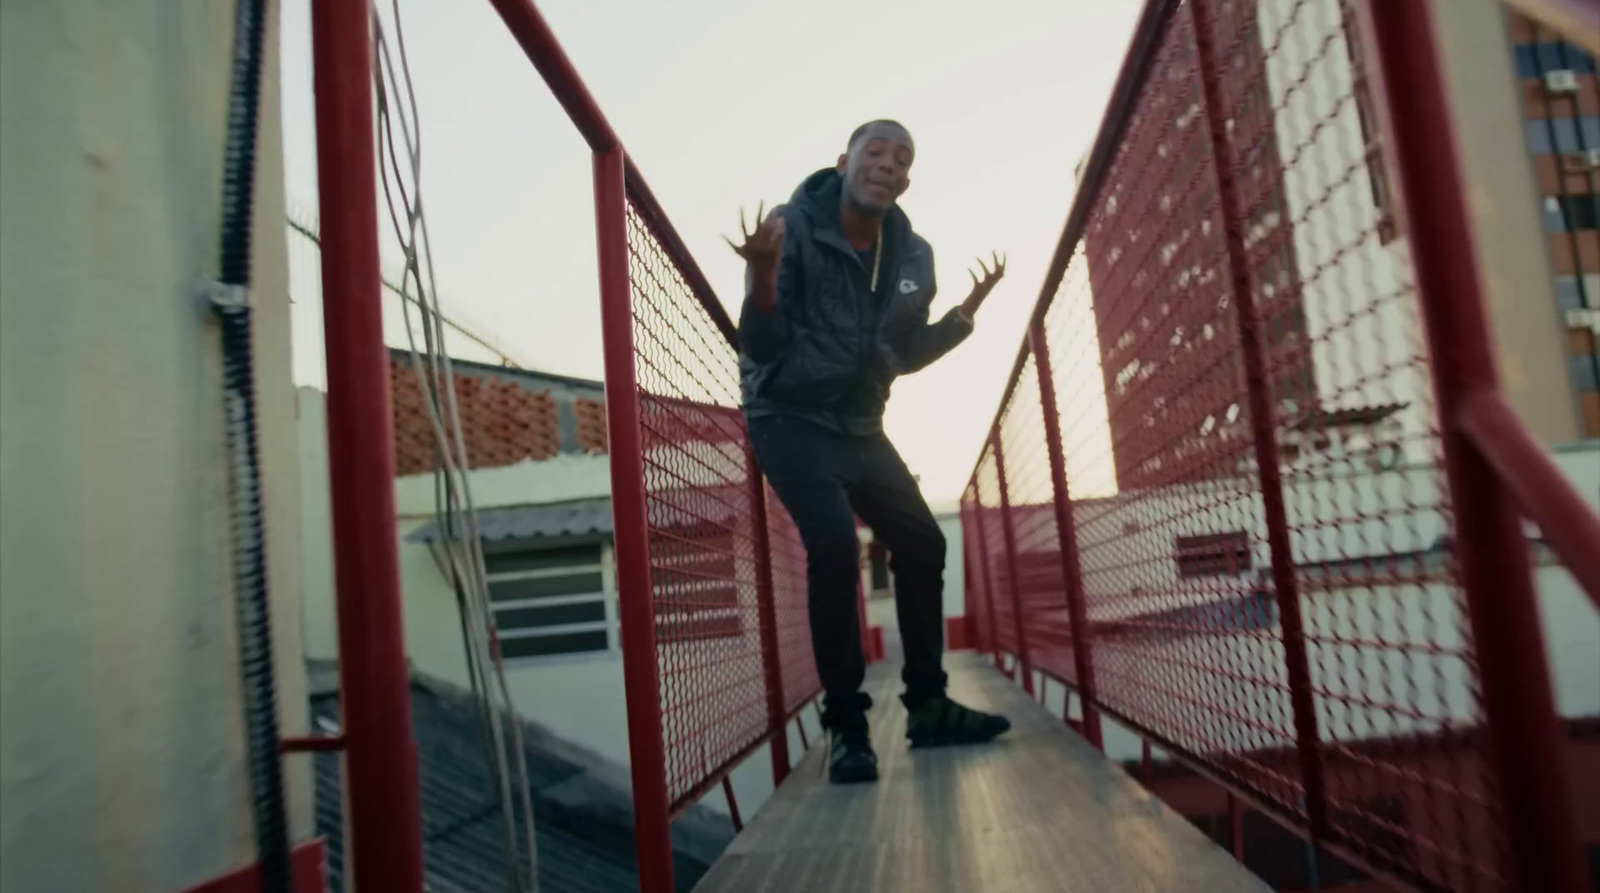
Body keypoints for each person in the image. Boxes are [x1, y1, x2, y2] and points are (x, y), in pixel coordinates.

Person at [726, 119, 1012, 785]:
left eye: (901, 158)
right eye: (875, 152)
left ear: (907, 179)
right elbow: (762, 347)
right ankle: (848, 725)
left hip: (860, 424)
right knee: (832, 545)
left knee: (924, 544)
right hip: (789, 416)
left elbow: (901, 354)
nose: (888, 163)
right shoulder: (792, 227)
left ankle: (929, 706)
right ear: (845, 162)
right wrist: (762, 275)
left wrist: (965, 314)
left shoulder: (915, 256)